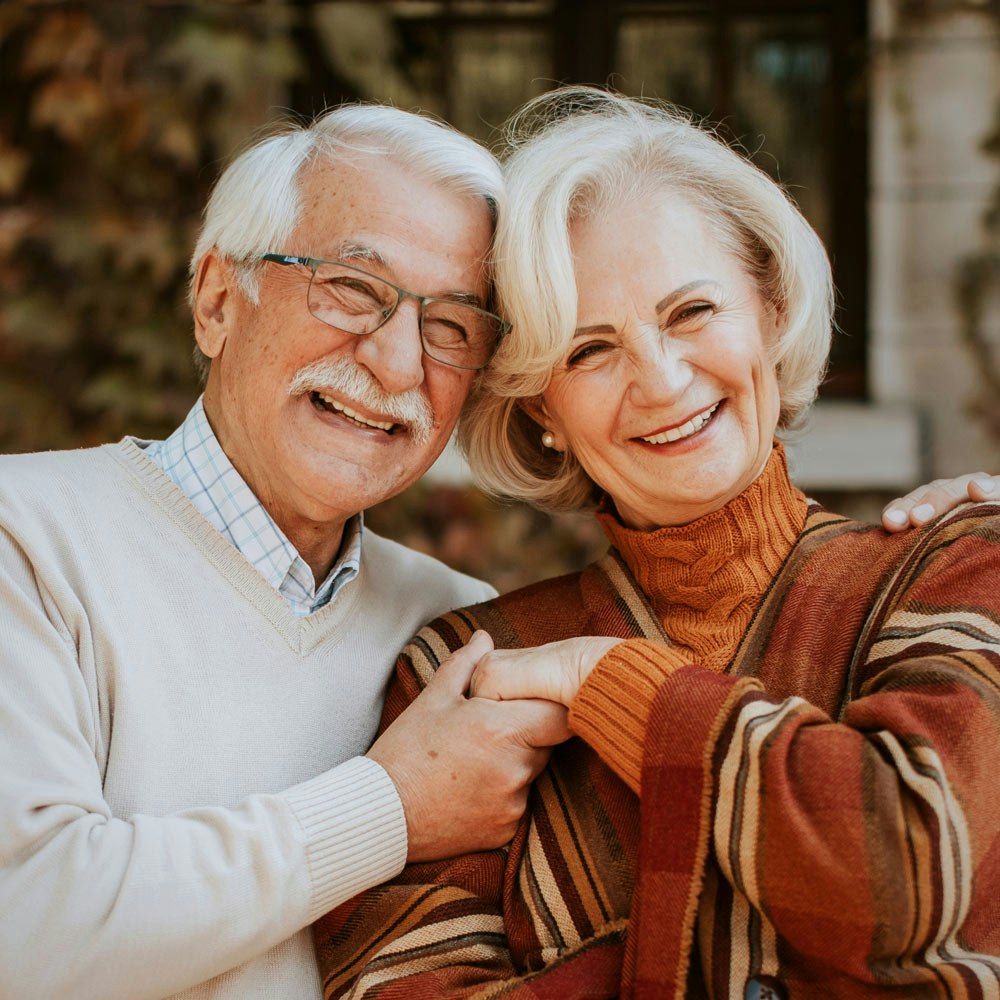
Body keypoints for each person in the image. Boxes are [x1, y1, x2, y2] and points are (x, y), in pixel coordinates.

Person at [314, 88, 1000, 999]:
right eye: (590, 350)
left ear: (770, 305)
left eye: (692, 313)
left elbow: (903, 868)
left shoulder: (955, 567)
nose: (663, 380)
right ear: (538, 407)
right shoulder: (466, 668)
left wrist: (613, 684)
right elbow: (394, 986)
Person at [0, 104, 573, 1000]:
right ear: (218, 300)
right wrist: (389, 807)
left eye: (451, 326)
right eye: (351, 286)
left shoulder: (456, 627)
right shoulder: (24, 539)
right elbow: (24, 922)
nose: (395, 362)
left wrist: (871, 575)